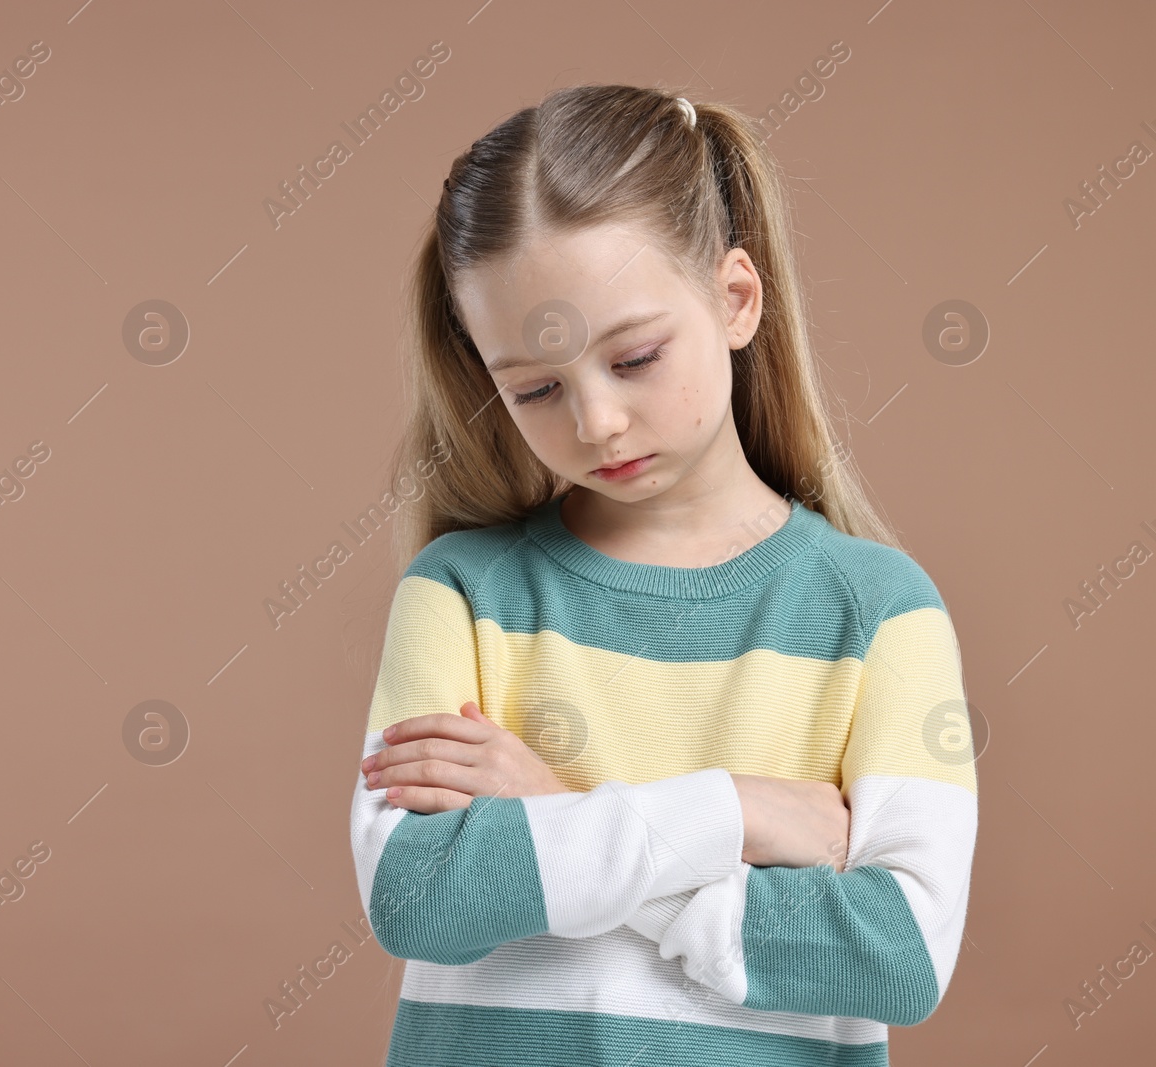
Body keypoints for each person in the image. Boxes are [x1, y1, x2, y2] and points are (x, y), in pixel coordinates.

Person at [348, 86, 979, 1066]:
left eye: (634, 357)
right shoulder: (458, 592)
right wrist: (734, 810)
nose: (594, 420)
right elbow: (419, 896)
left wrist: (552, 814)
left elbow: (893, 955)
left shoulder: (876, 611)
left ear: (735, 300)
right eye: (535, 387)